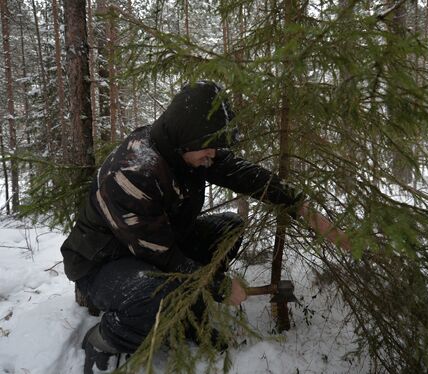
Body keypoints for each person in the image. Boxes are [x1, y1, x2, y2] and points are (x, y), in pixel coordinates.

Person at [60, 81, 350, 373]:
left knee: (229, 228)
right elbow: (162, 257)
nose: (213, 155)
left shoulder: (186, 148)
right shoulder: (131, 172)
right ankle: (106, 338)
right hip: (104, 261)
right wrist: (220, 286)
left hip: (159, 241)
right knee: (155, 294)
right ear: (186, 136)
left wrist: (299, 205)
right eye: (209, 148)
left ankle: (184, 315)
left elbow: (240, 172)